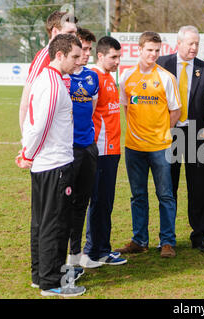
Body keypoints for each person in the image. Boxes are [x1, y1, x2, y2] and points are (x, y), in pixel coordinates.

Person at [16, 34, 86, 297]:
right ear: (59, 55)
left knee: (41, 222)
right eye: (74, 57)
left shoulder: (48, 79)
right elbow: (40, 126)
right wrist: (28, 153)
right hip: (54, 165)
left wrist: (30, 153)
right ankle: (51, 283)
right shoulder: (53, 84)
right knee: (54, 224)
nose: (78, 62)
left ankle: (39, 276)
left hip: (47, 164)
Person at [115, 31, 181, 258]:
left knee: (165, 195)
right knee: (138, 195)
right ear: (140, 50)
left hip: (161, 147)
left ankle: (167, 242)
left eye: (156, 50)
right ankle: (139, 240)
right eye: (149, 50)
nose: (153, 54)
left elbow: (176, 110)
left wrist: (163, 133)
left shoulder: (166, 78)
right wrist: (137, 131)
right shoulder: (126, 76)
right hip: (134, 147)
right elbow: (126, 108)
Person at [157, 25, 204, 253]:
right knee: (168, 188)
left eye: (196, 44)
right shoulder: (161, 64)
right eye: (190, 43)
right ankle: (167, 239)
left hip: (196, 135)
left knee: (198, 187)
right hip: (169, 134)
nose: (194, 48)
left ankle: (200, 236)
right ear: (178, 43)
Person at [81, 36, 127, 265]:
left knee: (105, 201)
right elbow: (86, 115)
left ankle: (101, 248)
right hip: (101, 150)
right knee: (99, 201)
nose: (118, 61)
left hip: (112, 148)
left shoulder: (109, 77)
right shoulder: (94, 77)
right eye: (113, 57)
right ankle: (94, 251)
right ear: (100, 55)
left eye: (119, 57)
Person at [63, 27, 103, 268]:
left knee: (82, 204)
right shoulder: (59, 77)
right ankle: (59, 259)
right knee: (63, 206)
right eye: (83, 49)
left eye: (89, 49)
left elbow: (92, 109)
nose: (87, 54)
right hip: (66, 151)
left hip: (87, 148)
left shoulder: (92, 77)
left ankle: (76, 257)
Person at [19, 11, 77, 132]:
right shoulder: (44, 57)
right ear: (55, 32)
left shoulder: (67, 58)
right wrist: (26, 141)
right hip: (47, 141)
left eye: (75, 33)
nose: (75, 37)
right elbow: (26, 102)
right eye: (70, 33)